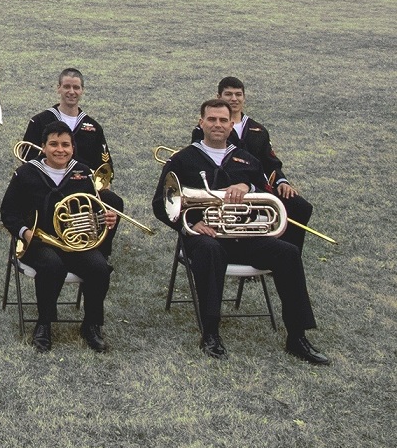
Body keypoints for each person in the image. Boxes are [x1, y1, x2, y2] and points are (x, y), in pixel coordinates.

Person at [153, 98, 329, 364]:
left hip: (245, 238)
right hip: (204, 238)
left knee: (289, 253)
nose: (217, 124)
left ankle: (297, 336)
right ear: (201, 123)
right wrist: (188, 226)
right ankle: (210, 333)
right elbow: (160, 203)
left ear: (230, 124)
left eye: (223, 120)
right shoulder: (182, 159)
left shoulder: (246, 160)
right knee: (210, 251)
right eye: (211, 119)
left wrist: (249, 188)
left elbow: (269, 195)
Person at [0, 121, 114, 353]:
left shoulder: (82, 172)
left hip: (74, 242)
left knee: (100, 268)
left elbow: (93, 209)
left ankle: (91, 324)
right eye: (53, 144)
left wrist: (103, 219)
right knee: (52, 266)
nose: (60, 150)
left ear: (73, 147)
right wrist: (26, 233)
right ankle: (44, 323)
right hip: (39, 242)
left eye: (65, 145)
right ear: (43, 147)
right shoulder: (25, 173)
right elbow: (8, 212)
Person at [195, 76, 314, 249]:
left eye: (238, 94)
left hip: (260, 186)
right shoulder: (210, 128)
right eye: (228, 94)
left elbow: (271, 162)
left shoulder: (258, 129)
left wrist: (282, 181)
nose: (234, 99)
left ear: (244, 98)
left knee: (300, 207)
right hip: (229, 188)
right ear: (219, 97)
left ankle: (286, 251)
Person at [21, 68, 124, 255]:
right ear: (58, 88)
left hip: (82, 186)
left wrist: (100, 186)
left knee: (113, 202)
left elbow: (104, 166)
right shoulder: (40, 121)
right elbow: (26, 161)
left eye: (76, 87)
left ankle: (100, 251)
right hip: (48, 184)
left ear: (82, 90)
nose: (71, 91)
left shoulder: (93, 126)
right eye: (67, 86)